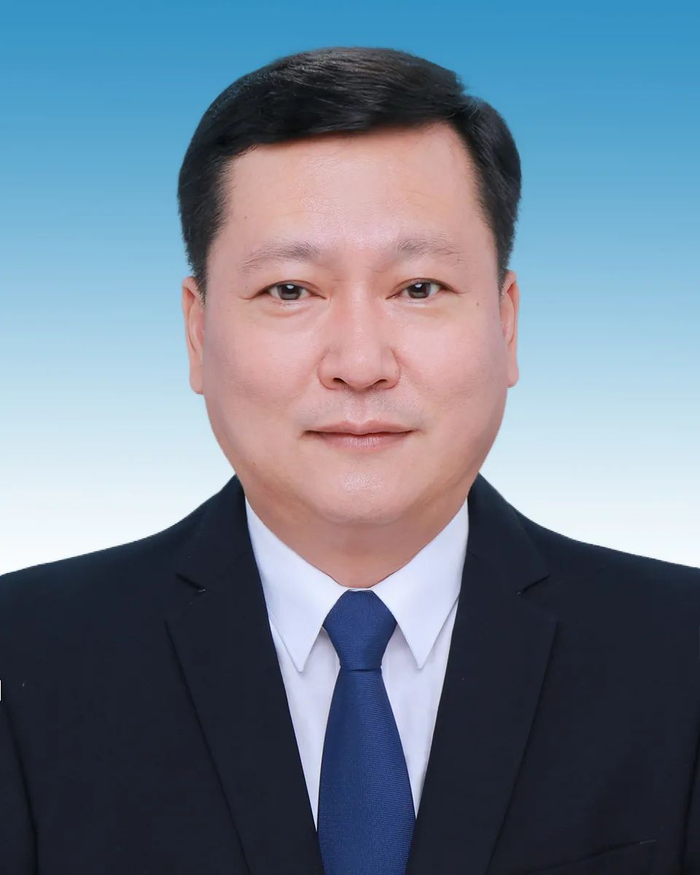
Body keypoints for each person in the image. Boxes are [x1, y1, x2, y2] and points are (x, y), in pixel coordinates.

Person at [0, 45, 698, 875]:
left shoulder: (679, 655)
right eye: (290, 290)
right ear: (198, 330)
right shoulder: (27, 657)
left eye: (419, 288)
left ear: (506, 323)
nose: (360, 363)